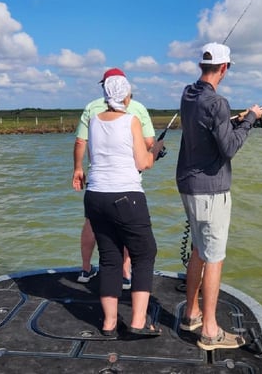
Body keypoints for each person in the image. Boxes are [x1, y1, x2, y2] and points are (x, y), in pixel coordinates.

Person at [176, 43, 262, 350]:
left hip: (188, 184)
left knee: (200, 249)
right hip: (210, 190)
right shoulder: (218, 102)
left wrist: (238, 121)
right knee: (214, 257)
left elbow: (212, 131)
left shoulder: (189, 94)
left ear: (203, 66)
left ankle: (191, 313)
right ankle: (210, 331)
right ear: (225, 68)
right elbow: (228, 148)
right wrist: (251, 120)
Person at [80, 73, 163, 336]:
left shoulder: (93, 121)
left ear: (106, 96)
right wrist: (156, 150)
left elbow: (95, 156)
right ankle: (138, 322)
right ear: (126, 96)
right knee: (145, 254)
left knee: (109, 258)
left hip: (95, 196)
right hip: (127, 196)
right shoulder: (132, 120)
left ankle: (109, 323)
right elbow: (143, 163)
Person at [73, 68, 155, 289]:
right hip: (128, 181)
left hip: (97, 184)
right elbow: (149, 143)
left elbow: (81, 142)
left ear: (105, 87)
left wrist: (78, 169)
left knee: (92, 224)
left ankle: (85, 268)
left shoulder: (92, 108)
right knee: (128, 227)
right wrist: (150, 154)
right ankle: (125, 272)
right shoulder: (137, 110)